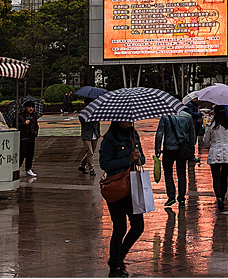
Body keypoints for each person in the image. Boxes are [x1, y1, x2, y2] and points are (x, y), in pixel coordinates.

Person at [99, 121, 146, 278]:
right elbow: (105, 164)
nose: (128, 121)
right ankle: (115, 265)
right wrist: (128, 160)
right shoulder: (110, 139)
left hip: (133, 187)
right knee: (120, 228)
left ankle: (118, 259)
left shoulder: (134, 135)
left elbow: (142, 158)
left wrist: (139, 158)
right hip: (118, 188)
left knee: (138, 226)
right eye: (125, 119)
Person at [155, 107, 196, 206]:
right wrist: (191, 149)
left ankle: (171, 196)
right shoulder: (187, 117)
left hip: (168, 149)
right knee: (181, 173)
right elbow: (192, 135)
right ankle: (181, 198)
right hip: (182, 149)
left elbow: (159, 133)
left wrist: (157, 149)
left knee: (168, 172)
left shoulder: (165, 116)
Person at [203, 105, 228, 210]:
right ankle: (223, 196)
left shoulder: (211, 125)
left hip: (214, 152)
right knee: (224, 176)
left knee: (216, 177)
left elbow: (206, 142)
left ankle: (219, 198)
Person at [79, 102, 101, 176]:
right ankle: (91, 168)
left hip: (94, 135)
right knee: (90, 152)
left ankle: (82, 164)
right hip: (86, 135)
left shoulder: (96, 113)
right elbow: (82, 121)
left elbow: (98, 124)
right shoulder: (83, 113)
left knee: (91, 152)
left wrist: (98, 133)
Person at [18, 100, 40, 177]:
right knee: (22, 154)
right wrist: (24, 123)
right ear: (25, 108)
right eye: (29, 107)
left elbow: (36, 126)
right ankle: (17, 168)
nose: (31, 109)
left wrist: (35, 132)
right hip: (23, 138)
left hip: (31, 138)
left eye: (32, 107)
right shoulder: (20, 116)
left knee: (30, 154)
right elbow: (15, 125)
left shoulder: (34, 116)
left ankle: (28, 169)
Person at [185, 98, 204, 162]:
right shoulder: (190, 105)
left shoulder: (195, 105)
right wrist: (200, 114)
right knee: (192, 140)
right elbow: (191, 113)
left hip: (196, 124)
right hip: (193, 124)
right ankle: (191, 155)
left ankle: (190, 155)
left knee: (193, 139)